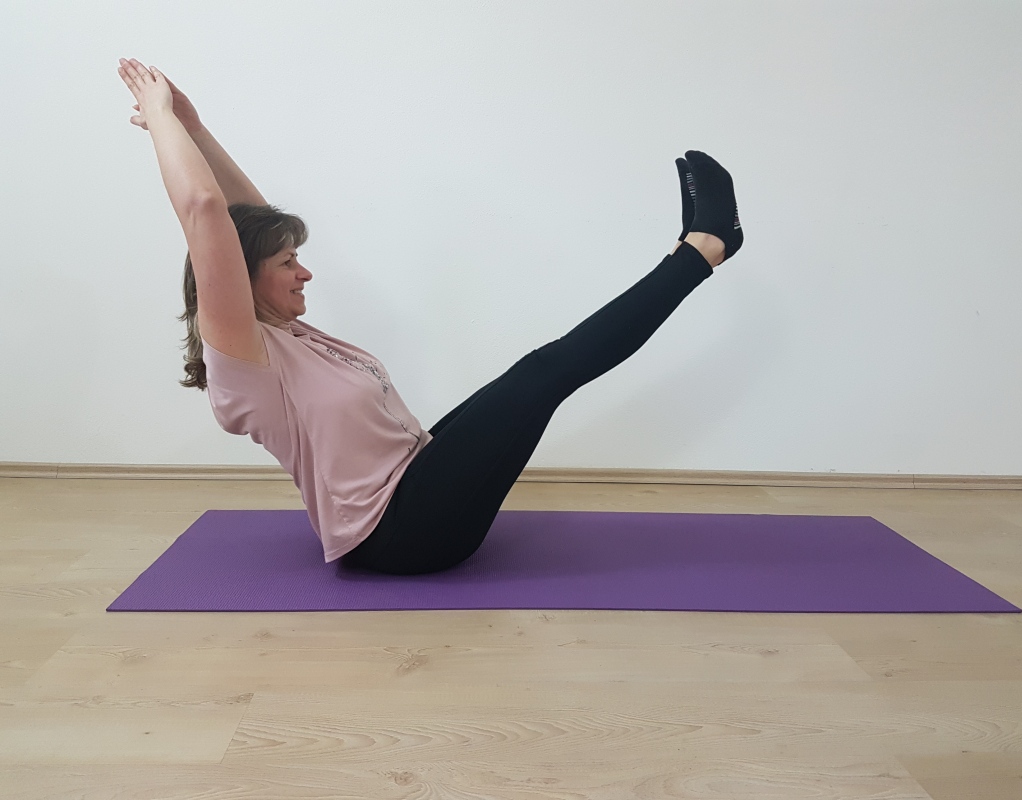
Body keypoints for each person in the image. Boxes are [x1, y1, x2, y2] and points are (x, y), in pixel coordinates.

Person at [118, 58, 744, 576]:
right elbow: (205, 211)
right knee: (545, 373)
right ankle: (705, 248)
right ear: (244, 279)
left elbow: (245, 219)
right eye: (287, 263)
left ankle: (689, 253)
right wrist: (160, 117)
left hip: (416, 481)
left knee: (533, 375)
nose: (304, 273)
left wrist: (194, 128)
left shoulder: (281, 327)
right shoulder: (245, 359)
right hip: (398, 534)